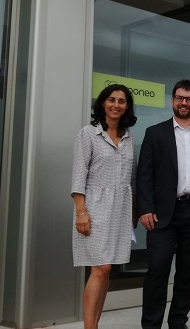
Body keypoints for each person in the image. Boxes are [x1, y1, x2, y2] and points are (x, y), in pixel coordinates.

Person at [136, 79, 190, 329]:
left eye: (189, 99)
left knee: (187, 273)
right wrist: (145, 208)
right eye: (179, 98)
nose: (184, 103)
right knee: (158, 270)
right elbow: (144, 175)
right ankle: (151, 325)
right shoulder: (155, 132)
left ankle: (178, 322)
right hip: (162, 214)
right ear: (172, 100)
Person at [71, 84, 138, 329]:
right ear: (102, 103)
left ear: (127, 106)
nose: (116, 105)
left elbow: (132, 178)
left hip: (120, 209)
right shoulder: (88, 134)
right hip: (94, 207)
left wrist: (133, 212)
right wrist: (81, 211)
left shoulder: (129, 138)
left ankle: (95, 323)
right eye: (111, 100)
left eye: (121, 101)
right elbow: (79, 175)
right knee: (100, 268)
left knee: (107, 269)